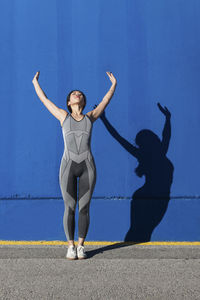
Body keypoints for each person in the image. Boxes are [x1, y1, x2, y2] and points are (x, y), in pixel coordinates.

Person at [32, 71, 117, 259]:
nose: (76, 94)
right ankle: (70, 246)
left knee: (84, 207)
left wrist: (113, 85)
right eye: (73, 94)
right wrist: (35, 83)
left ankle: (81, 246)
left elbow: (105, 101)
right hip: (68, 167)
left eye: (79, 94)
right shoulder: (63, 116)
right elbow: (44, 100)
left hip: (88, 166)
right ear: (69, 103)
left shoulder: (90, 117)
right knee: (69, 206)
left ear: (83, 102)